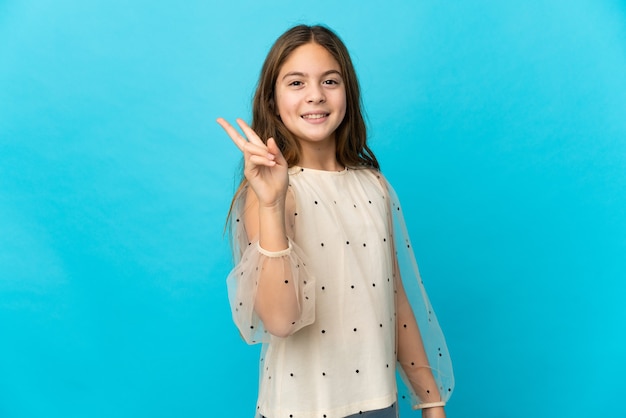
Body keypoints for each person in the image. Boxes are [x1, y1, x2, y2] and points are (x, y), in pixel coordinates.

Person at [217, 24, 454, 418]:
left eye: (330, 80)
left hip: (380, 403)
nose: (315, 95)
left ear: (348, 93)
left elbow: (394, 297)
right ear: (273, 100)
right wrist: (272, 204)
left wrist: (431, 401)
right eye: (296, 82)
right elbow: (279, 319)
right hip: (302, 408)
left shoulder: (373, 185)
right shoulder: (270, 194)